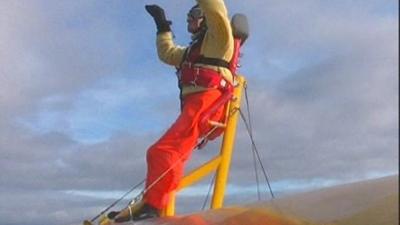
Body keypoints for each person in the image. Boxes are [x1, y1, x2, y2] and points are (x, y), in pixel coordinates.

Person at [108, 0, 234, 223]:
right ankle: (154, 201)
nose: (189, 18)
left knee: (163, 152)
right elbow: (168, 53)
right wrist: (162, 26)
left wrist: (204, 5)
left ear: (205, 17)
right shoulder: (193, 51)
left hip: (209, 103)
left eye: (195, 14)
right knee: (165, 154)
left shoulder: (220, 40)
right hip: (199, 106)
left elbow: (217, 11)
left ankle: (154, 205)